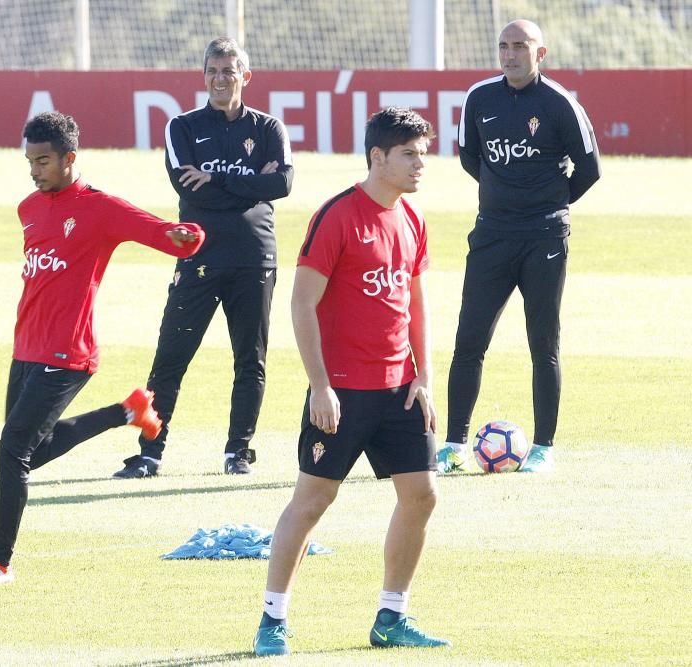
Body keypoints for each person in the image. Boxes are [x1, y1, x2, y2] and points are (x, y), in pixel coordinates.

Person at [0, 111, 205, 586]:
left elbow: (163, 234)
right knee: (30, 453)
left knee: (11, 452)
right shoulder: (28, 208)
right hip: (26, 347)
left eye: (44, 161)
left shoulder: (98, 206)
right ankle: (128, 412)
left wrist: (185, 237)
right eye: (29, 160)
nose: (34, 170)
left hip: (68, 352)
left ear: (70, 158)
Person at [253, 107, 449, 655]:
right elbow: (301, 302)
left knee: (422, 495)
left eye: (423, 153)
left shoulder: (412, 220)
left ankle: (392, 617)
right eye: (409, 154)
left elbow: (415, 303)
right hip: (341, 391)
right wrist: (320, 385)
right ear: (377, 157)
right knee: (313, 501)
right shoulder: (338, 216)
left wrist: (425, 377)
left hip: (400, 388)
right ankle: (272, 619)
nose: (420, 164)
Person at [113, 37, 294, 479]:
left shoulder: (269, 129)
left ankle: (238, 452)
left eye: (229, 71)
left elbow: (283, 184)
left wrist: (215, 177)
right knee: (170, 359)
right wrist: (250, 182)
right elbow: (186, 186)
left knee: (250, 360)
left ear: (245, 77)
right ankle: (150, 454)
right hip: (199, 257)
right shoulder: (183, 127)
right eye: (212, 70)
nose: (220, 78)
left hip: (255, 257)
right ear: (204, 75)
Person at [437, 19, 601, 475]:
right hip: (491, 235)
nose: (510, 55)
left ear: (540, 53)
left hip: (545, 236)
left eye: (520, 47)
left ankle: (544, 447)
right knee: (469, 340)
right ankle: (453, 445)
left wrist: (547, 201)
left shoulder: (559, 103)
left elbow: (590, 168)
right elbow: (471, 157)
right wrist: (504, 194)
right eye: (504, 46)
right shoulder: (479, 97)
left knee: (543, 342)